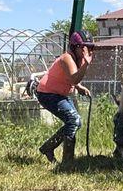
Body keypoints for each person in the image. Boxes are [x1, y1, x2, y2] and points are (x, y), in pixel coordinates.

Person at [36, 30, 94, 163]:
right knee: (73, 121)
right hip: (48, 94)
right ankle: (67, 161)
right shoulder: (67, 58)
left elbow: (69, 77)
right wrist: (85, 64)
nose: (88, 50)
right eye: (84, 47)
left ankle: (48, 148)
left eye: (90, 47)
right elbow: (73, 78)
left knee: (75, 122)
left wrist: (79, 87)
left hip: (59, 94)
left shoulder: (77, 58)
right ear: (75, 47)